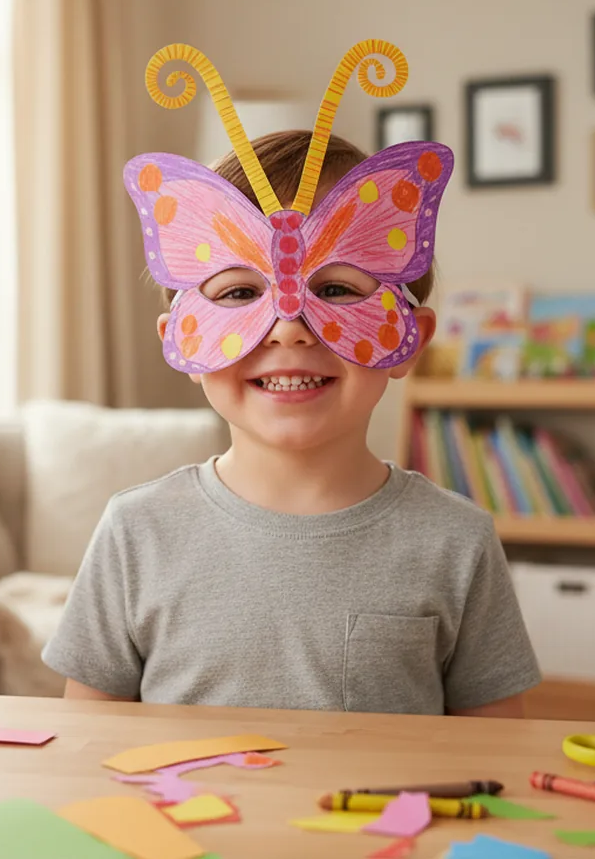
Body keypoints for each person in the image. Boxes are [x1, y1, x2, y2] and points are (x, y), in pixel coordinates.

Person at [41, 41, 541, 718]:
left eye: (335, 289)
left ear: (408, 339)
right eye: (238, 294)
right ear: (180, 342)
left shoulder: (455, 542)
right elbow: (85, 745)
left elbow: (497, 759)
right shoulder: (137, 533)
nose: (286, 327)